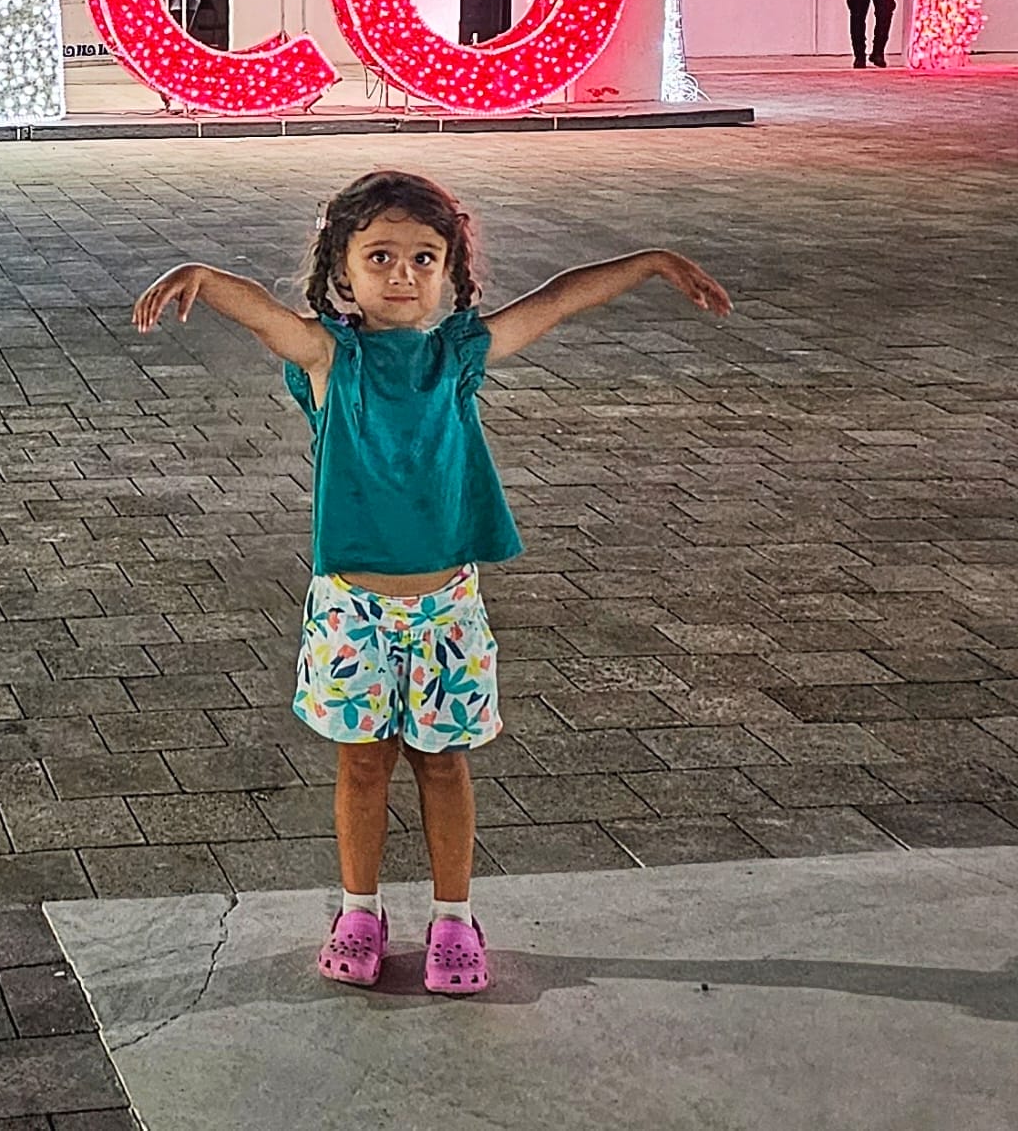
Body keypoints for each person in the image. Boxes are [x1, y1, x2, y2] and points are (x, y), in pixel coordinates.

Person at [130, 171, 730, 995]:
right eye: (380, 256)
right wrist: (200, 275)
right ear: (343, 269)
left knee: (444, 765)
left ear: (449, 272)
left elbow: (556, 301)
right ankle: (359, 909)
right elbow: (265, 318)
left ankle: (454, 917)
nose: (404, 274)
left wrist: (652, 262)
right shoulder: (329, 358)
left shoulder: (458, 357)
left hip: (447, 608)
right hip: (352, 610)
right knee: (362, 765)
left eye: (424, 257)